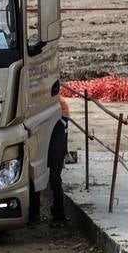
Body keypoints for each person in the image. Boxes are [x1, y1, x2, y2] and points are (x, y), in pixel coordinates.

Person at [47, 94, 70, 227]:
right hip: (56, 149)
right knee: (55, 180)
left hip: (55, 149)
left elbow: (60, 135)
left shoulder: (59, 105)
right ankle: (58, 213)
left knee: (54, 180)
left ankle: (59, 214)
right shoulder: (60, 104)